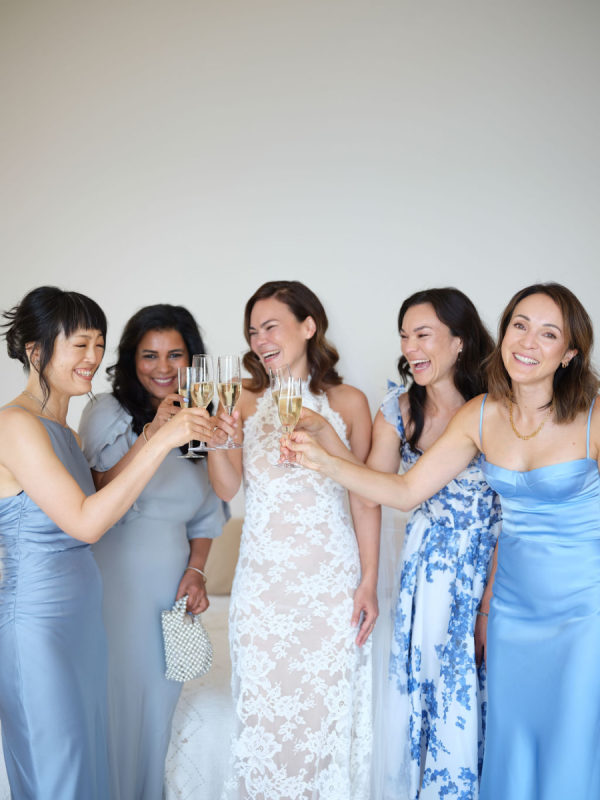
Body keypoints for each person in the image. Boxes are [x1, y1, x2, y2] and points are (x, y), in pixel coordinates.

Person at [285, 283, 600, 800]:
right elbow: (405, 491)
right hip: (512, 611)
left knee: (574, 746)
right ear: (502, 333)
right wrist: (324, 461)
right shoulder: (482, 414)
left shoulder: (594, 416)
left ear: (569, 353)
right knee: (513, 745)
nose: (528, 341)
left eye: (548, 334)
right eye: (519, 325)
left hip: (584, 611)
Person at [0, 287, 214, 800]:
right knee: (61, 777)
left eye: (99, 344)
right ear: (36, 350)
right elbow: (86, 523)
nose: (94, 357)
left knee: (90, 771)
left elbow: (99, 492)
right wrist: (163, 443)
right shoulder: (14, 425)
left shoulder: (64, 432)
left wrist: (152, 433)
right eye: (80, 344)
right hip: (39, 626)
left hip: (83, 624)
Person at [208, 280, 378, 799]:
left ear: (309, 326)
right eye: (252, 331)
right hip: (263, 588)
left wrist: (369, 580)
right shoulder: (240, 397)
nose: (260, 340)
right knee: (265, 721)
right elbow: (226, 488)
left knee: (324, 720)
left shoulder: (349, 402)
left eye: (271, 327)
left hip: (331, 585)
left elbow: (365, 496)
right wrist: (217, 440)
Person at [78, 304, 228, 800]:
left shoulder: (201, 422)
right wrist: (155, 436)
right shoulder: (106, 413)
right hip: (113, 583)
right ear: (131, 359)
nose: (162, 368)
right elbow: (95, 492)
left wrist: (197, 571)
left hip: (170, 594)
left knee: (156, 712)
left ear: (192, 360)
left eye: (175, 355)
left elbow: (206, 515)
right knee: (114, 705)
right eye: (149, 355)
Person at [361, 289, 501, 799]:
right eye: (404, 336)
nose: (410, 347)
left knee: (482, 692)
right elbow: (370, 492)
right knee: (428, 691)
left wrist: (488, 604)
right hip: (426, 575)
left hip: (489, 567)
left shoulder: (499, 407)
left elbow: (515, 515)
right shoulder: (398, 410)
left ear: (460, 341)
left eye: (423, 334)